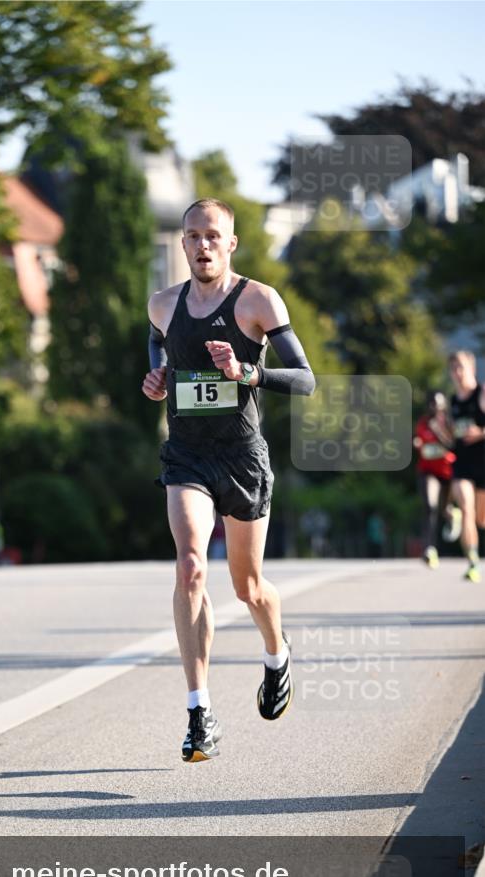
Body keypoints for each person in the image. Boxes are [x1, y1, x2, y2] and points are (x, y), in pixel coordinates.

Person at [142, 198, 315, 763]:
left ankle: (275, 652)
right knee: (191, 566)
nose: (202, 245)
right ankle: (199, 713)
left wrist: (247, 371)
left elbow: (306, 379)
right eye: (193, 236)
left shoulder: (258, 300)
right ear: (184, 243)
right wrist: (159, 377)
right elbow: (155, 344)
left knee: (248, 587)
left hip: (242, 457)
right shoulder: (164, 305)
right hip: (187, 456)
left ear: (231, 243)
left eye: (213, 235)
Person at [448, 351, 485, 582]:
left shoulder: (481, 394)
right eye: (454, 369)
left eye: (461, 367)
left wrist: (480, 432)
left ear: (472, 369)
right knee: (466, 510)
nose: (458, 373)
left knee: (481, 518)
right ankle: (472, 563)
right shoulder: (453, 401)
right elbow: (454, 434)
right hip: (463, 465)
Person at [412, 390, 459, 568]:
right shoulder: (423, 422)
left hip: (448, 472)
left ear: (443, 406)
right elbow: (419, 440)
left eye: (437, 404)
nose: (433, 407)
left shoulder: (449, 422)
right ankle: (429, 549)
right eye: (431, 403)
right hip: (427, 470)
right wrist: (416, 442)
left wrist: (437, 431)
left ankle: (452, 514)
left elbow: (453, 445)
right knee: (429, 507)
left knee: (443, 509)